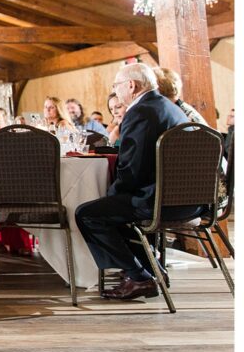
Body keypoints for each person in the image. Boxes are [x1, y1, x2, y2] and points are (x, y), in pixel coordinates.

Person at [75, 63, 198, 300]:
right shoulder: (168, 107)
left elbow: (133, 169)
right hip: (190, 200)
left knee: (89, 213)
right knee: (111, 209)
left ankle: (139, 277)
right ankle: (151, 270)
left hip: (159, 201)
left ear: (131, 85)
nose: (116, 90)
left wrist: (110, 194)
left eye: (116, 85)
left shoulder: (140, 111)